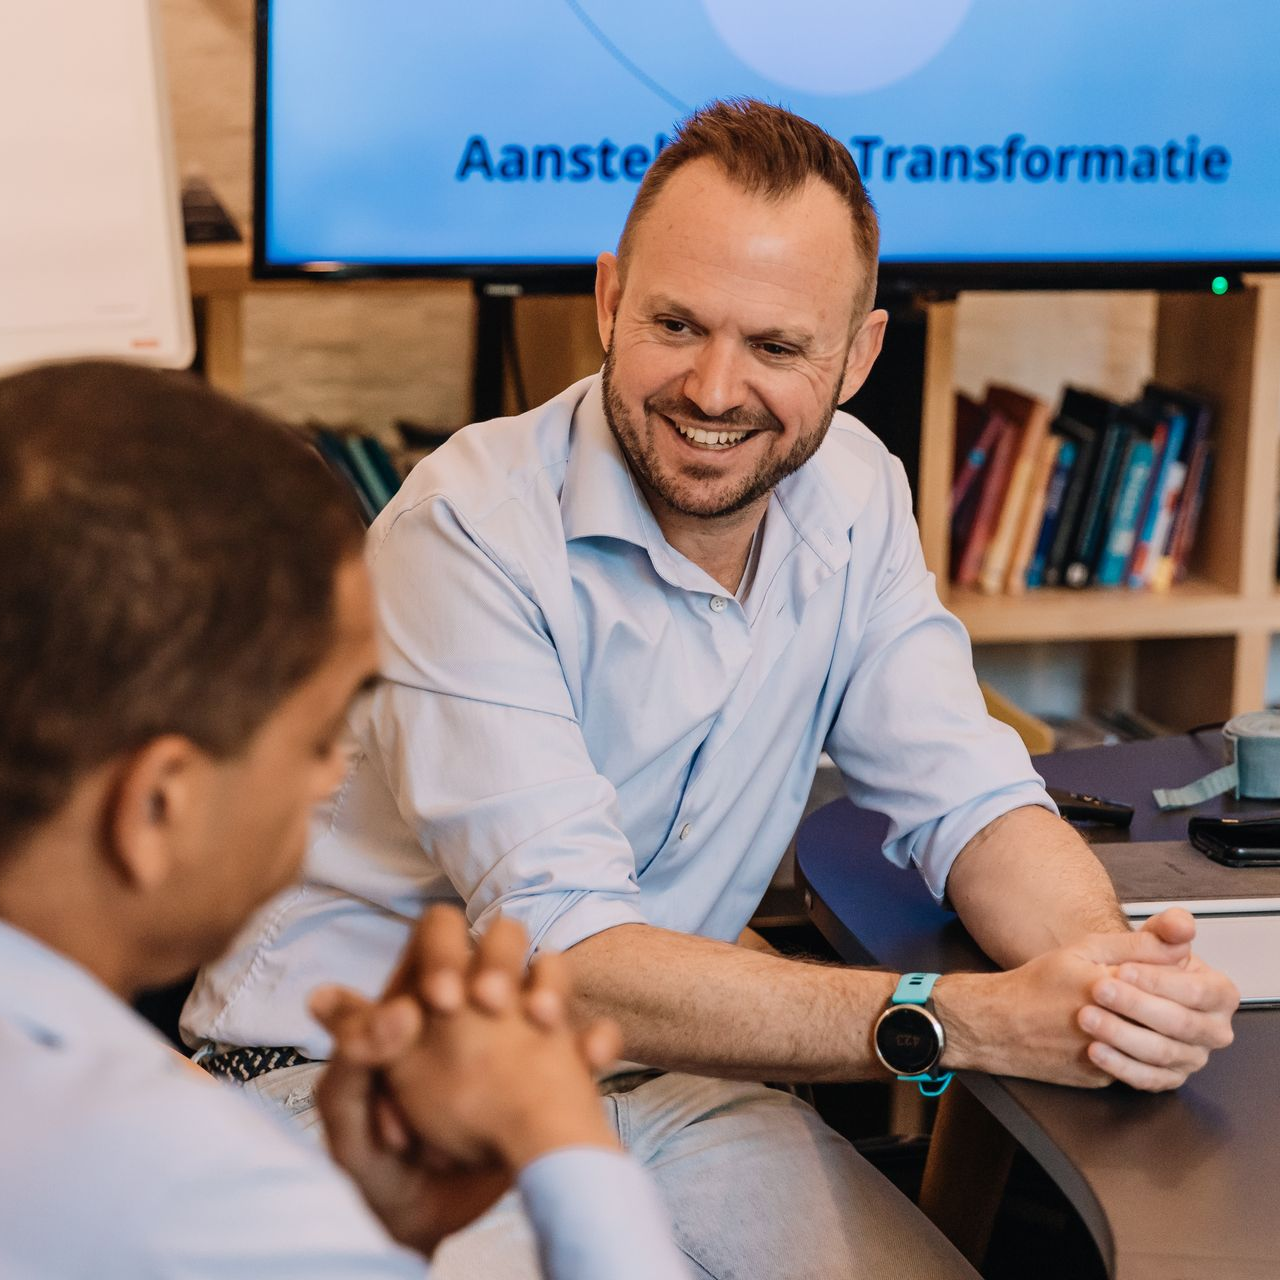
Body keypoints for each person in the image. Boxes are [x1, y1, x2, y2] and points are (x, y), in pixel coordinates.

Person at [185, 100, 1239, 1277]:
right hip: (359, 1086)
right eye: (675, 323)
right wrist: (966, 1018)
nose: (714, 387)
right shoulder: (463, 533)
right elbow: (566, 952)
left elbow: (972, 799)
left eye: (776, 346)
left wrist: (1107, 980)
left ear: (857, 357)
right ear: (607, 299)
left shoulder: (856, 489)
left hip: (670, 1079)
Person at [0, 360, 688, 1279]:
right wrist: (557, 1131)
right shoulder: (177, 1178)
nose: (335, 773)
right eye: (324, 739)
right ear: (161, 802)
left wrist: (382, 1227)